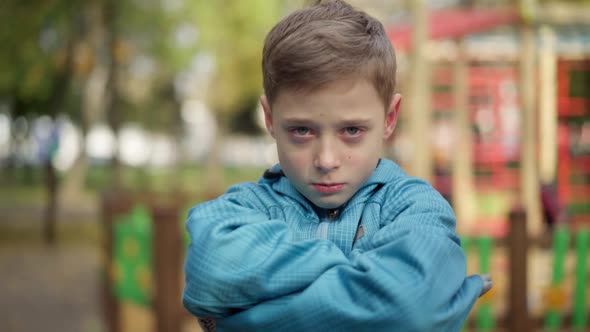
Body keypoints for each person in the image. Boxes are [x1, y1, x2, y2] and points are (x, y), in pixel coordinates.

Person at [182, 1, 492, 331]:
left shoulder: (413, 206)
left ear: (389, 118)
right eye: (301, 130)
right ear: (270, 119)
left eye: (352, 131)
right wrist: (364, 274)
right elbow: (208, 268)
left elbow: (408, 308)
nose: (327, 160)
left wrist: (240, 324)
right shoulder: (244, 208)